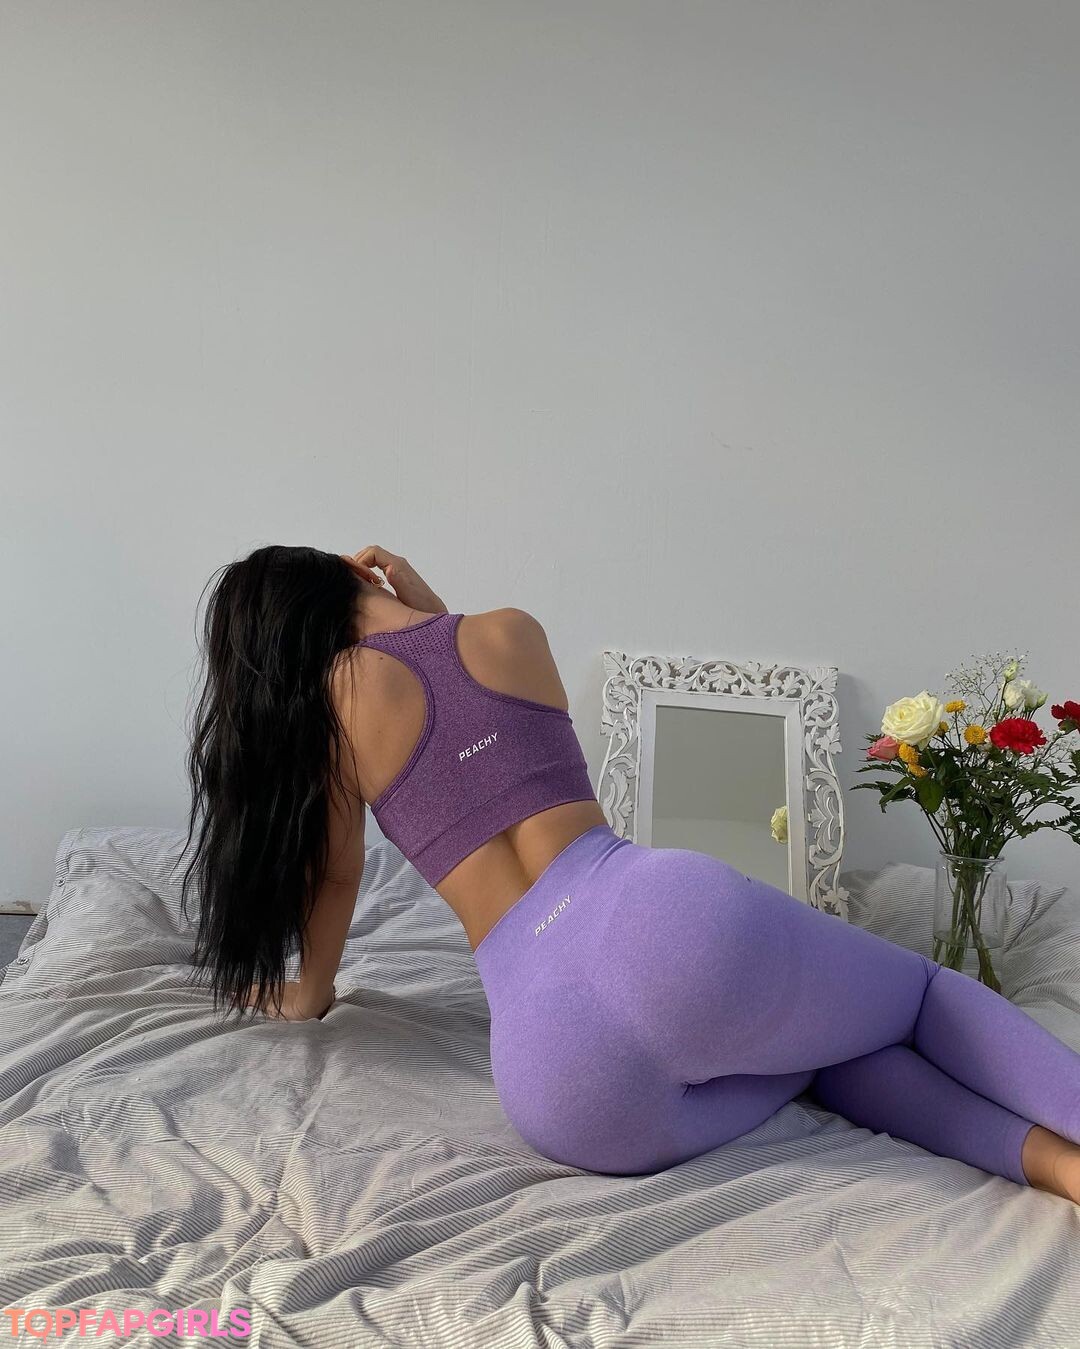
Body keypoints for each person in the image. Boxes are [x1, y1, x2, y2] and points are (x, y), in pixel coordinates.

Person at [180, 543, 1080, 1204]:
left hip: (556, 1079)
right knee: (917, 995)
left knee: (824, 1056)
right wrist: (429, 605)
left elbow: (337, 877)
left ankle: (1058, 1168)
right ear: (360, 575)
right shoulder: (507, 631)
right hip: (655, 921)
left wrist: (308, 994)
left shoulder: (329, 714)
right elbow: (460, 684)